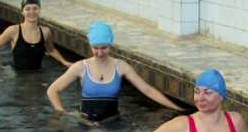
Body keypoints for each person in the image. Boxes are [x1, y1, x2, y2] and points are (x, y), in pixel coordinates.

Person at [46, 22, 183, 121]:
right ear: (90, 45)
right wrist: (62, 112)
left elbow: (147, 90)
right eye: (96, 48)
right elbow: (52, 90)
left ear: (110, 45)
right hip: (87, 123)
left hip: (113, 121)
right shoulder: (80, 67)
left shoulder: (120, 66)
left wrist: (177, 109)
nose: (100, 53)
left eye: (104, 48)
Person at [0, 0, 72, 70]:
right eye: (27, 9)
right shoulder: (14, 30)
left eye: (35, 8)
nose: (32, 12)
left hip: (38, 74)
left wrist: (64, 62)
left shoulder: (45, 32)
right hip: (18, 75)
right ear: (22, 11)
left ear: (39, 10)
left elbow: (51, 50)